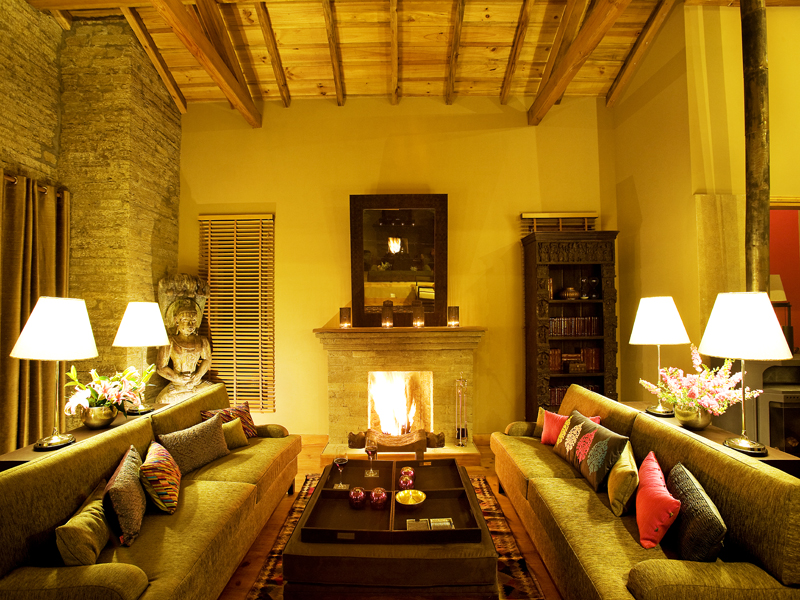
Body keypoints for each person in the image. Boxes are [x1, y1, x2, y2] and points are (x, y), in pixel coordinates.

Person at [156, 300, 212, 401]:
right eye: (186, 320)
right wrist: (178, 378)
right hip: (177, 384)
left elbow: (207, 360)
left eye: (193, 321)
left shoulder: (202, 340)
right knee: (163, 400)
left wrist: (197, 376)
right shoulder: (170, 341)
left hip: (196, 383)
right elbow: (161, 367)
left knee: (213, 393)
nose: (190, 324)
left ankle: (191, 390)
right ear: (176, 321)